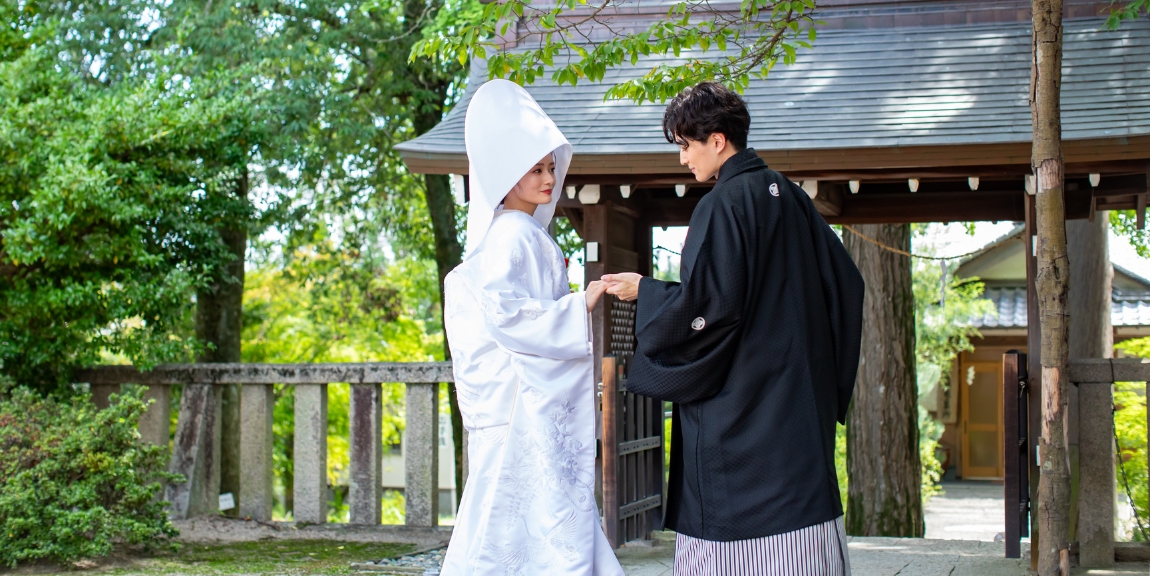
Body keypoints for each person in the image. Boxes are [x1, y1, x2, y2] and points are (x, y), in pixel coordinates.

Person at [603, 82, 865, 575]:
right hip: (795, 404)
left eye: (686, 145)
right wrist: (814, 367)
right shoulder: (791, 195)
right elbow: (846, 284)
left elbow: (708, 307)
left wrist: (648, 293)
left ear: (718, 140)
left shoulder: (722, 204)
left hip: (742, 408)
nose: (683, 159)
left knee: (733, 532)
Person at [440, 79, 624, 576]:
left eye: (550, 168)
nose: (548, 179)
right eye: (536, 169)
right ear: (507, 173)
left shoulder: (523, 234)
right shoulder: (512, 235)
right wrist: (576, 306)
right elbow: (506, 314)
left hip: (522, 403)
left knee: (510, 521)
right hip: (520, 407)